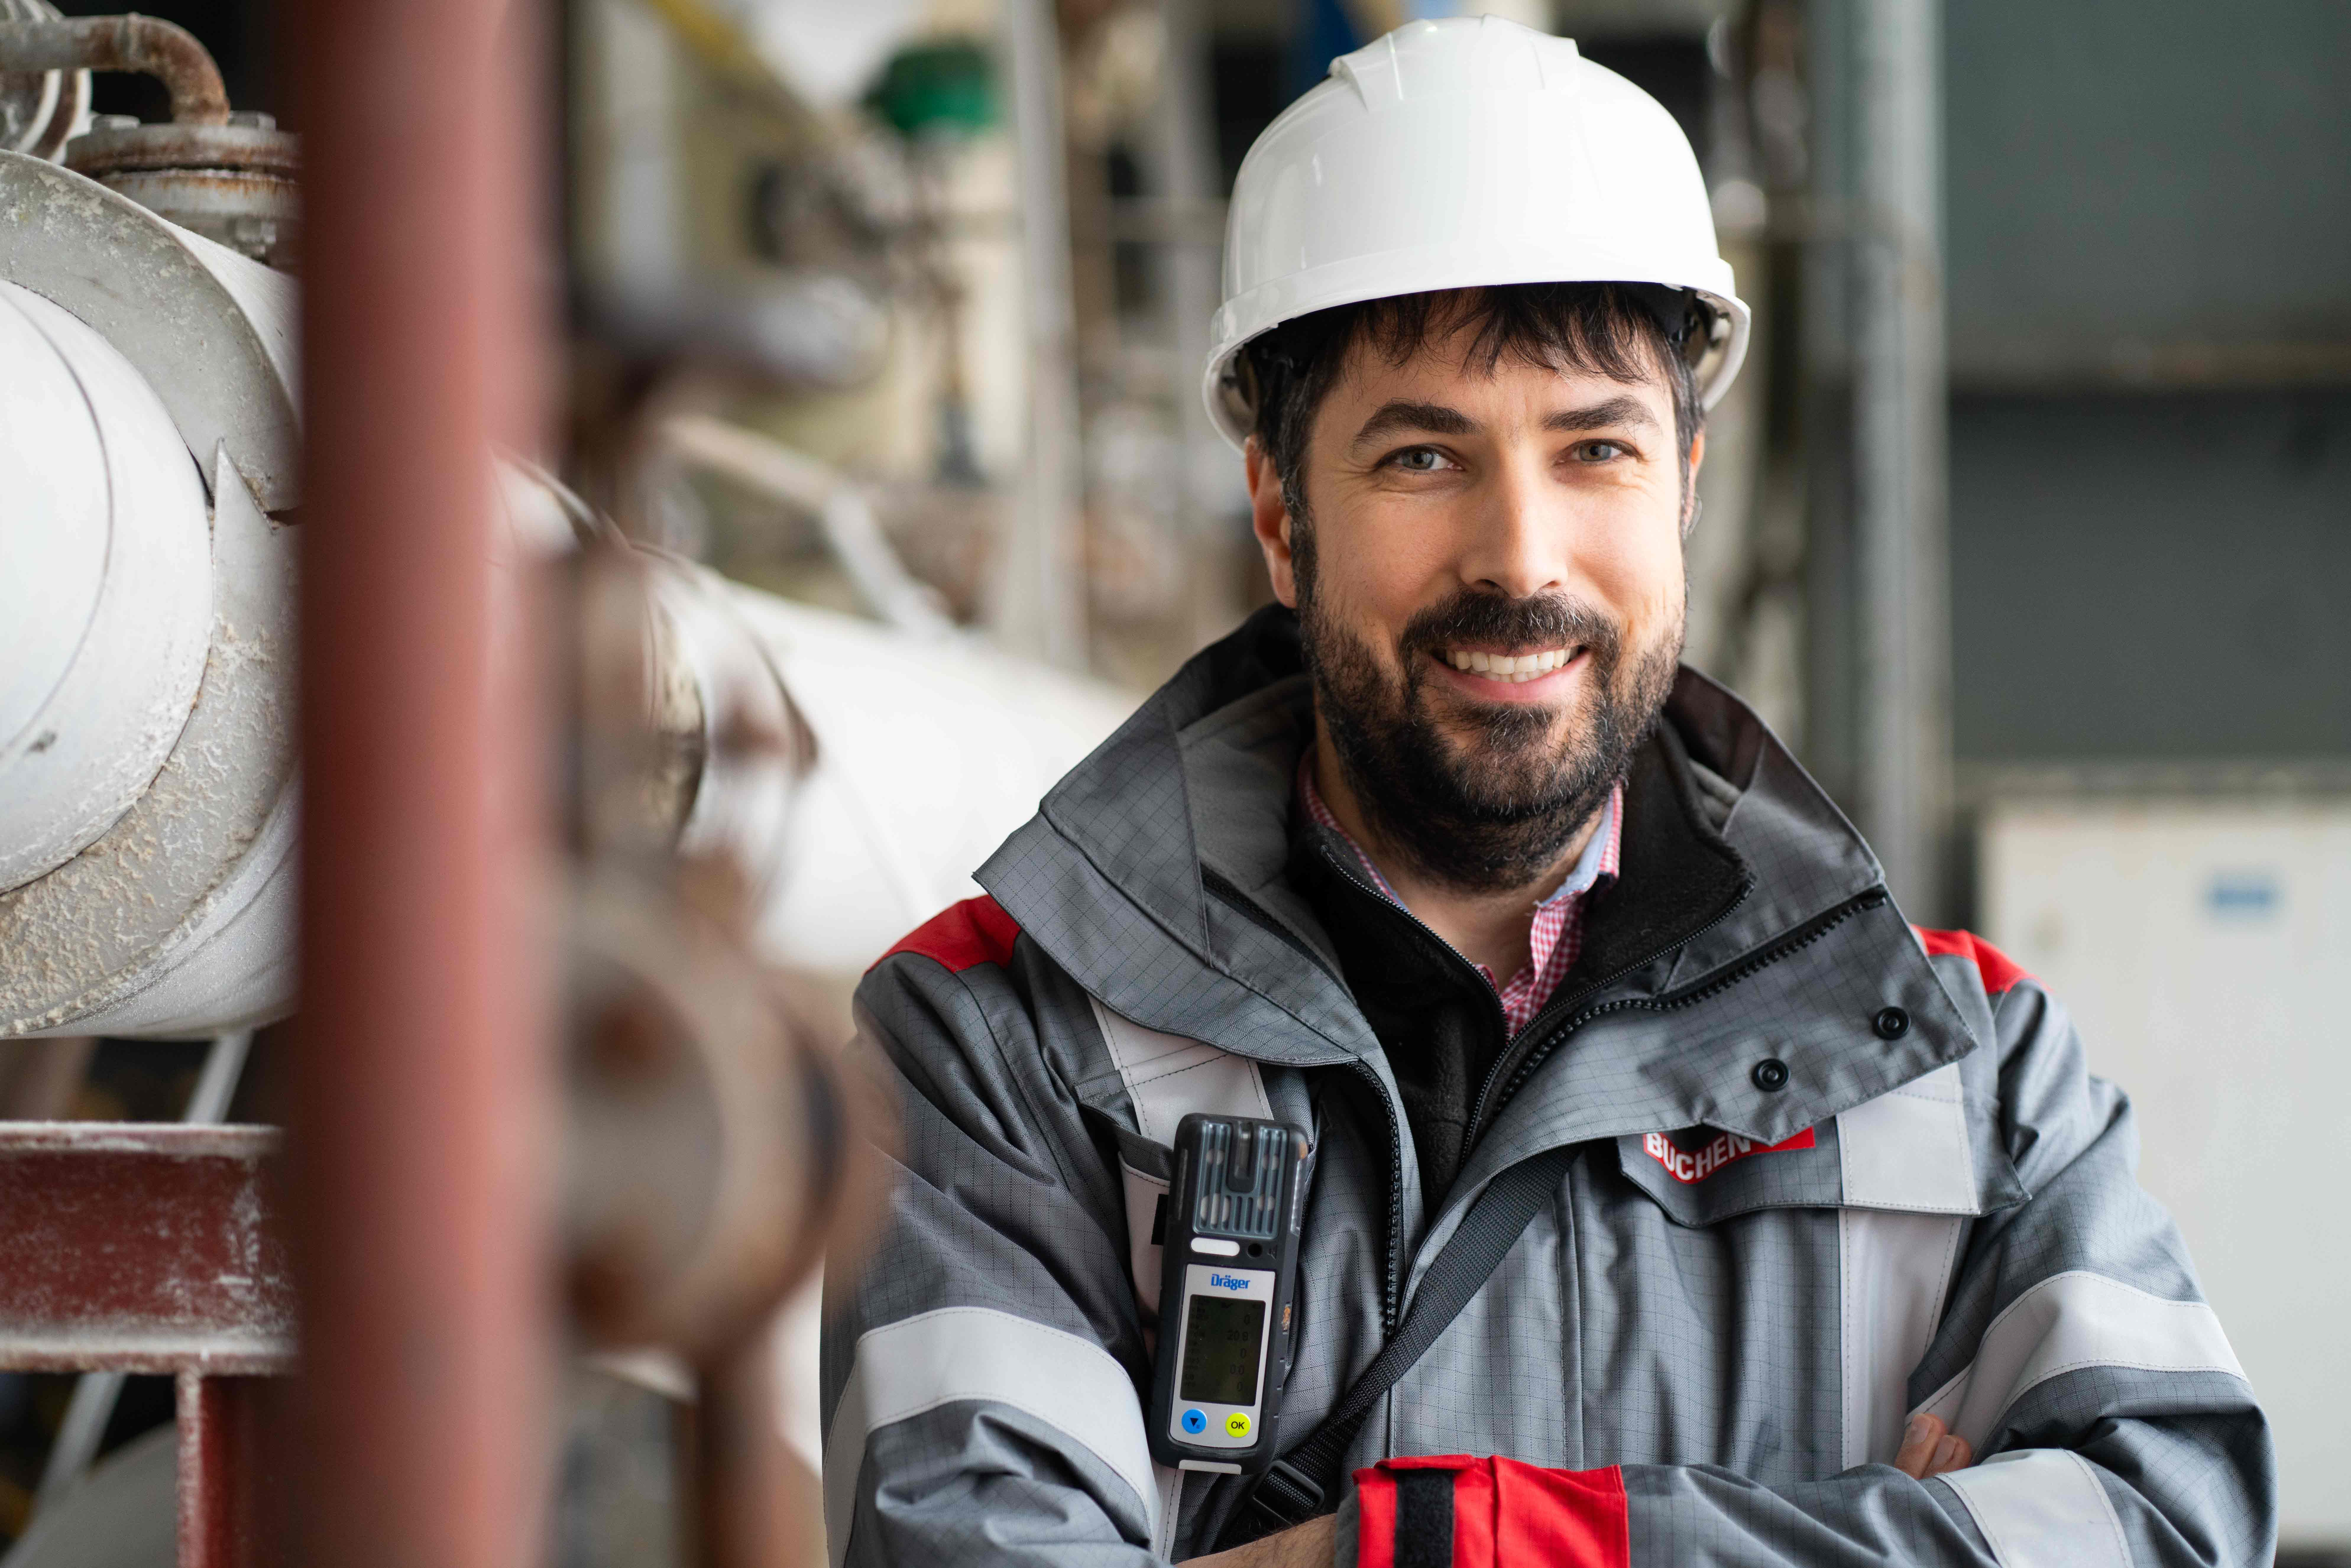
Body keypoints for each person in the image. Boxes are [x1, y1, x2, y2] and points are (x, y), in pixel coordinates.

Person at [820, 17, 2271, 1567]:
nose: (1521, 558)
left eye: (1594, 449)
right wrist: (1893, 1527)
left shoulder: (1957, 1072)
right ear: (1279, 511)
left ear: (1687, 487)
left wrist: (1395, 1551)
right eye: (1424, 459)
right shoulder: (997, 1053)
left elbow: (2168, 1527)